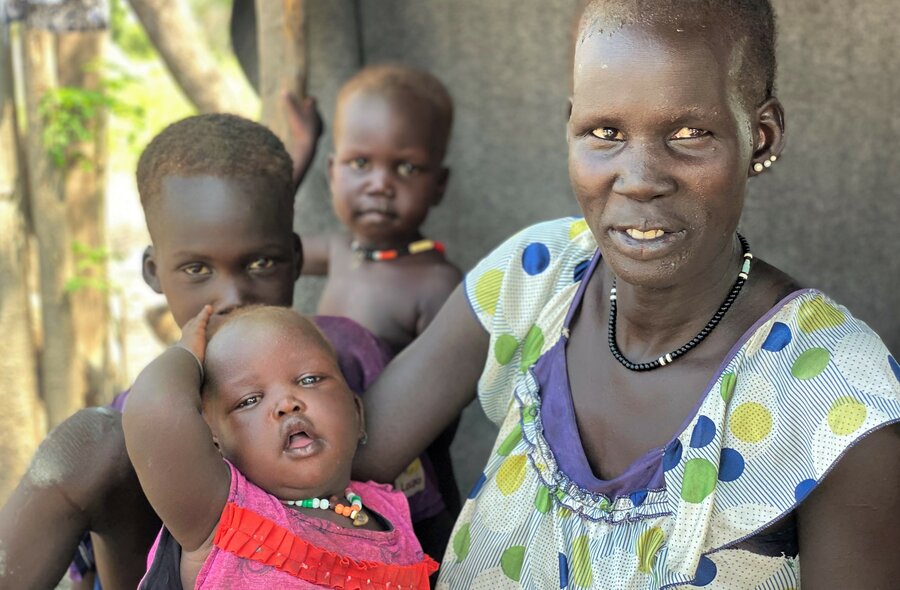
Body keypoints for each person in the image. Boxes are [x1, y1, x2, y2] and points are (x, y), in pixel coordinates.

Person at [352, 1, 900, 587]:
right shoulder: (533, 277)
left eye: (690, 134)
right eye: (605, 132)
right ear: (571, 127)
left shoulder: (839, 399)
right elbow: (336, 458)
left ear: (760, 138)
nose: (639, 178)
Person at [0, 113, 383, 589]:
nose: (231, 296)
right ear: (153, 271)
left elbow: (420, 515)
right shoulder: (138, 417)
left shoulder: (342, 357)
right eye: (198, 269)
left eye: (261, 262)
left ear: (297, 259)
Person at [125, 305, 437, 588]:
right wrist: (186, 352)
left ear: (357, 413)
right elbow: (156, 410)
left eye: (310, 379)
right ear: (215, 440)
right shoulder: (219, 515)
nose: (287, 404)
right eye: (249, 400)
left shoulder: (389, 510)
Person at [296, 64, 463, 560]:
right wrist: (299, 153)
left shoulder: (437, 281)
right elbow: (258, 242)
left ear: (438, 184)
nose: (380, 184)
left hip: (405, 488)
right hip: (321, 468)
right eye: (360, 163)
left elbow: (442, 415)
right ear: (332, 172)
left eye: (406, 168)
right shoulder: (340, 250)